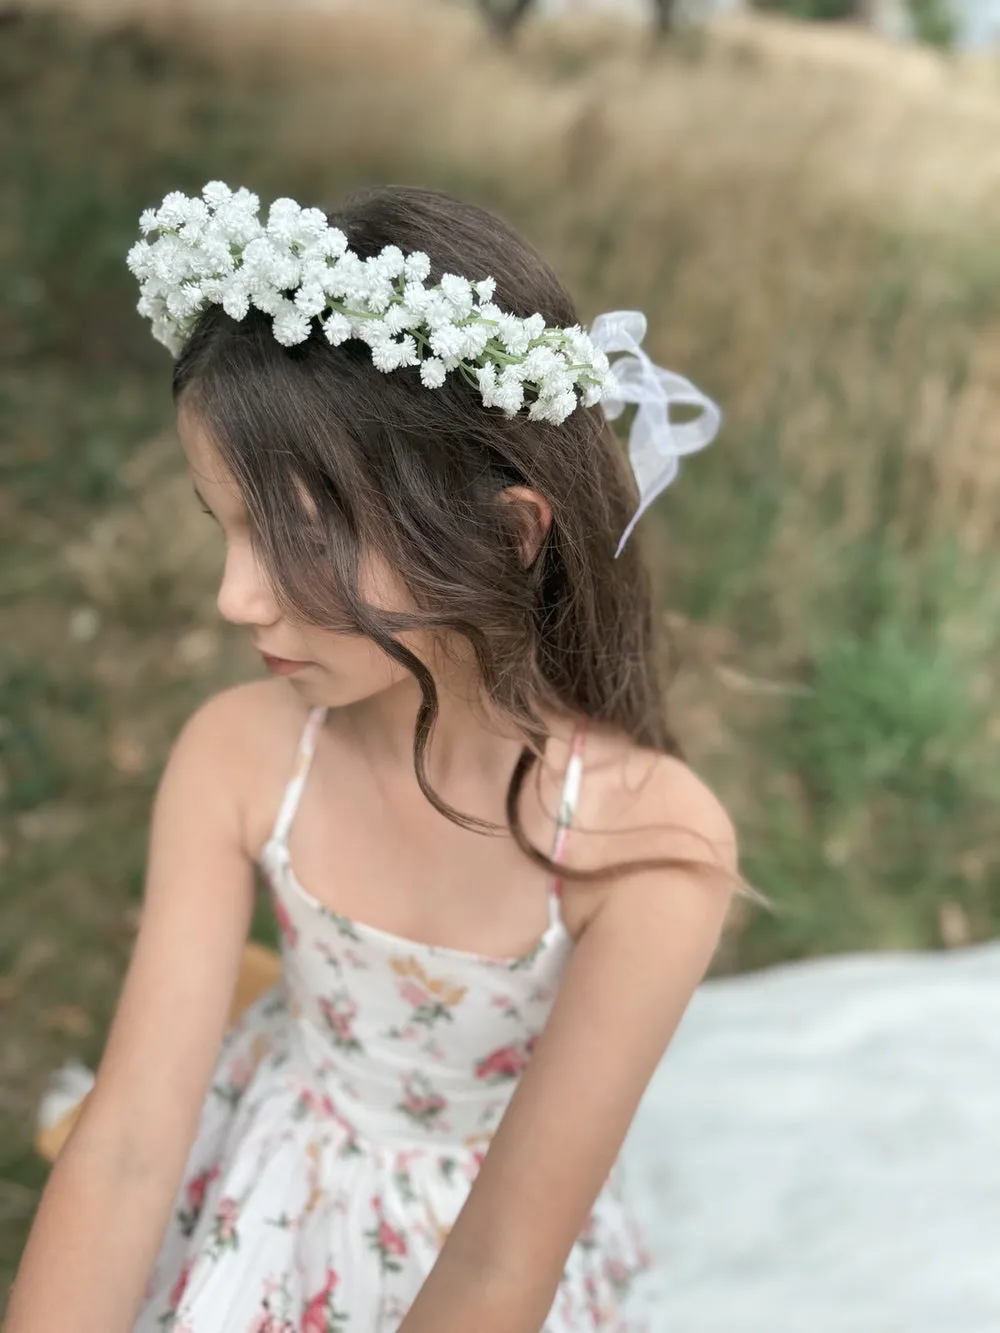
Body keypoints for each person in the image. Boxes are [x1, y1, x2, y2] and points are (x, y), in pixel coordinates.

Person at [7, 182, 743, 1333]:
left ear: (504, 535)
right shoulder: (241, 755)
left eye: (295, 540)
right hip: (275, 1165)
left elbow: (502, 1263)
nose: (232, 597)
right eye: (226, 528)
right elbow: (134, 1146)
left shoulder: (647, 852)